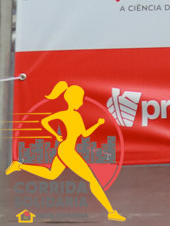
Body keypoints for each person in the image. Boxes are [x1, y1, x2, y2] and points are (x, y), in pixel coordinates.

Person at [7, 81, 125, 220]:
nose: (81, 102)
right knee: (93, 180)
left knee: (51, 174)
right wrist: (55, 134)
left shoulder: (74, 115)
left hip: (65, 149)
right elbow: (45, 121)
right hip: (67, 151)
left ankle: (19, 165)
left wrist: (97, 124)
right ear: (74, 100)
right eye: (80, 99)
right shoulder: (69, 115)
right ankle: (111, 212)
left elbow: (84, 134)